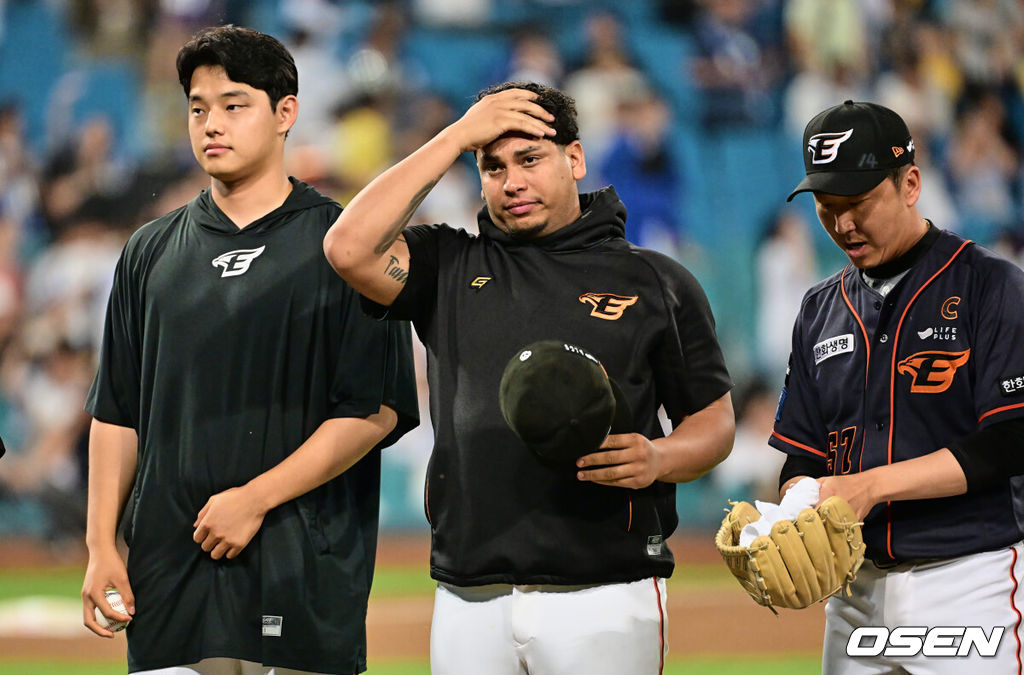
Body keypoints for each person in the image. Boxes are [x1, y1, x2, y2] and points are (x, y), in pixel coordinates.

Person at [323, 81, 735, 674]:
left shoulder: (657, 283)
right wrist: (457, 135)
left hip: (605, 590)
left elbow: (713, 422)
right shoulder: (449, 264)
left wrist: (660, 458)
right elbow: (347, 248)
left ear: (575, 158)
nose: (511, 181)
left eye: (530, 159)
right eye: (492, 167)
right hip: (469, 594)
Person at [80, 25, 418, 675]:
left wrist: (254, 497)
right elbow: (116, 408)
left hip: (302, 559)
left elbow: (373, 409)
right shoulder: (148, 251)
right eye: (198, 108)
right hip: (170, 564)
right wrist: (101, 542)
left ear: (285, 112)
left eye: (234, 105)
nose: (212, 123)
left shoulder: (344, 245)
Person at [774, 100, 1024, 673]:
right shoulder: (818, 310)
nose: (843, 224)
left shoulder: (992, 285)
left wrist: (870, 486)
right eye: (826, 206)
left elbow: (1012, 439)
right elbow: (803, 454)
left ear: (910, 183)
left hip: (968, 582)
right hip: (854, 596)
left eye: (858, 203)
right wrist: (793, 509)